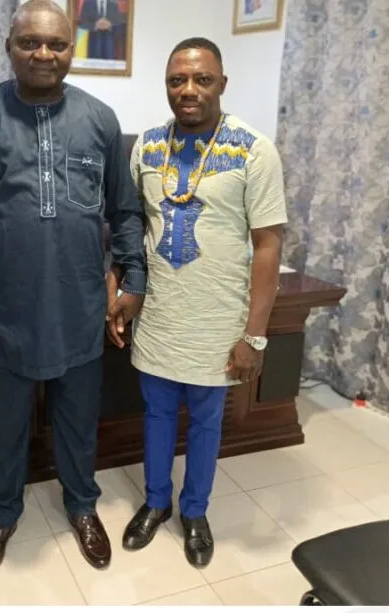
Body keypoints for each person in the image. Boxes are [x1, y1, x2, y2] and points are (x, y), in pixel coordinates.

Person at [0, 0, 146, 581]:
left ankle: (82, 506)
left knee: (79, 422)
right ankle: (1, 516)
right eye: (30, 42)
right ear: (8, 46)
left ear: (71, 50)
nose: (43, 54)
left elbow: (124, 211)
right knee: (6, 426)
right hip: (4, 311)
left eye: (56, 44)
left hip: (80, 307)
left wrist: (133, 278)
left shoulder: (100, 120)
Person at [110, 37, 287, 568]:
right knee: (157, 414)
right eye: (177, 80)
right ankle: (156, 502)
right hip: (161, 316)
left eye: (202, 79)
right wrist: (120, 287)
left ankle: (195, 511)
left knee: (207, 423)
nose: (188, 90)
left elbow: (268, 244)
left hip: (218, 319)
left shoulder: (253, 150)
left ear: (221, 84)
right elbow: (129, 225)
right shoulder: (147, 147)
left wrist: (254, 335)